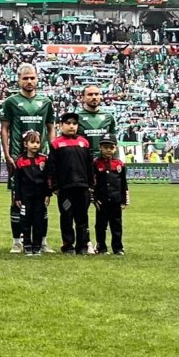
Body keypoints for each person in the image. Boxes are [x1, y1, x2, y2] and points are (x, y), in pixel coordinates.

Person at [0, 63, 55, 254]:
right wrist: (7, 154)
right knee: (17, 199)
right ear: (19, 80)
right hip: (18, 159)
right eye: (25, 78)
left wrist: (52, 151)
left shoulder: (46, 102)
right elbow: (5, 128)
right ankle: (17, 241)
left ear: (37, 79)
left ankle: (43, 241)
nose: (29, 81)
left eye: (32, 78)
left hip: (41, 160)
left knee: (42, 200)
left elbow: (50, 127)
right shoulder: (11, 102)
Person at [77, 84, 119, 252]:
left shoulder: (108, 117)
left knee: (106, 208)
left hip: (105, 169)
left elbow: (114, 143)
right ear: (83, 97)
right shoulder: (77, 117)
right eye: (90, 94)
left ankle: (103, 243)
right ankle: (85, 241)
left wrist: (115, 164)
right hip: (85, 168)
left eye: (97, 94)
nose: (94, 97)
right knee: (83, 206)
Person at [48, 112, 93, 255]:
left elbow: (89, 166)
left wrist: (91, 185)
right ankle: (68, 245)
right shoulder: (56, 144)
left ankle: (83, 246)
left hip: (82, 187)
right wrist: (54, 187)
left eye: (74, 123)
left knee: (82, 217)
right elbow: (52, 167)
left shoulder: (84, 142)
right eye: (68, 123)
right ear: (61, 125)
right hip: (65, 188)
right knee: (66, 217)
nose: (71, 126)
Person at [14, 130, 49, 256]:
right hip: (26, 197)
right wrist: (17, 196)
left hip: (40, 197)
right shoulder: (20, 161)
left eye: (38, 142)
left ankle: (37, 246)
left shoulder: (44, 159)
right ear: (25, 144)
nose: (35, 145)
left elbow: (47, 180)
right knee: (26, 222)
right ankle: (27, 245)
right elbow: (17, 181)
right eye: (32, 142)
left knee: (38, 222)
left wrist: (47, 195)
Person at [92, 134, 130, 255]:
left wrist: (124, 199)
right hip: (101, 201)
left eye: (111, 147)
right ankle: (101, 247)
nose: (108, 150)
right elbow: (93, 183)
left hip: (116, 200)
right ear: (100, 147)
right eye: (105, 147)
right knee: (100, 225)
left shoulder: (119, 164)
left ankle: (118, 248)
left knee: (116, 225)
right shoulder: (96, 163)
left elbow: (123, 183)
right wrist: (94, 198)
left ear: (115, 148)